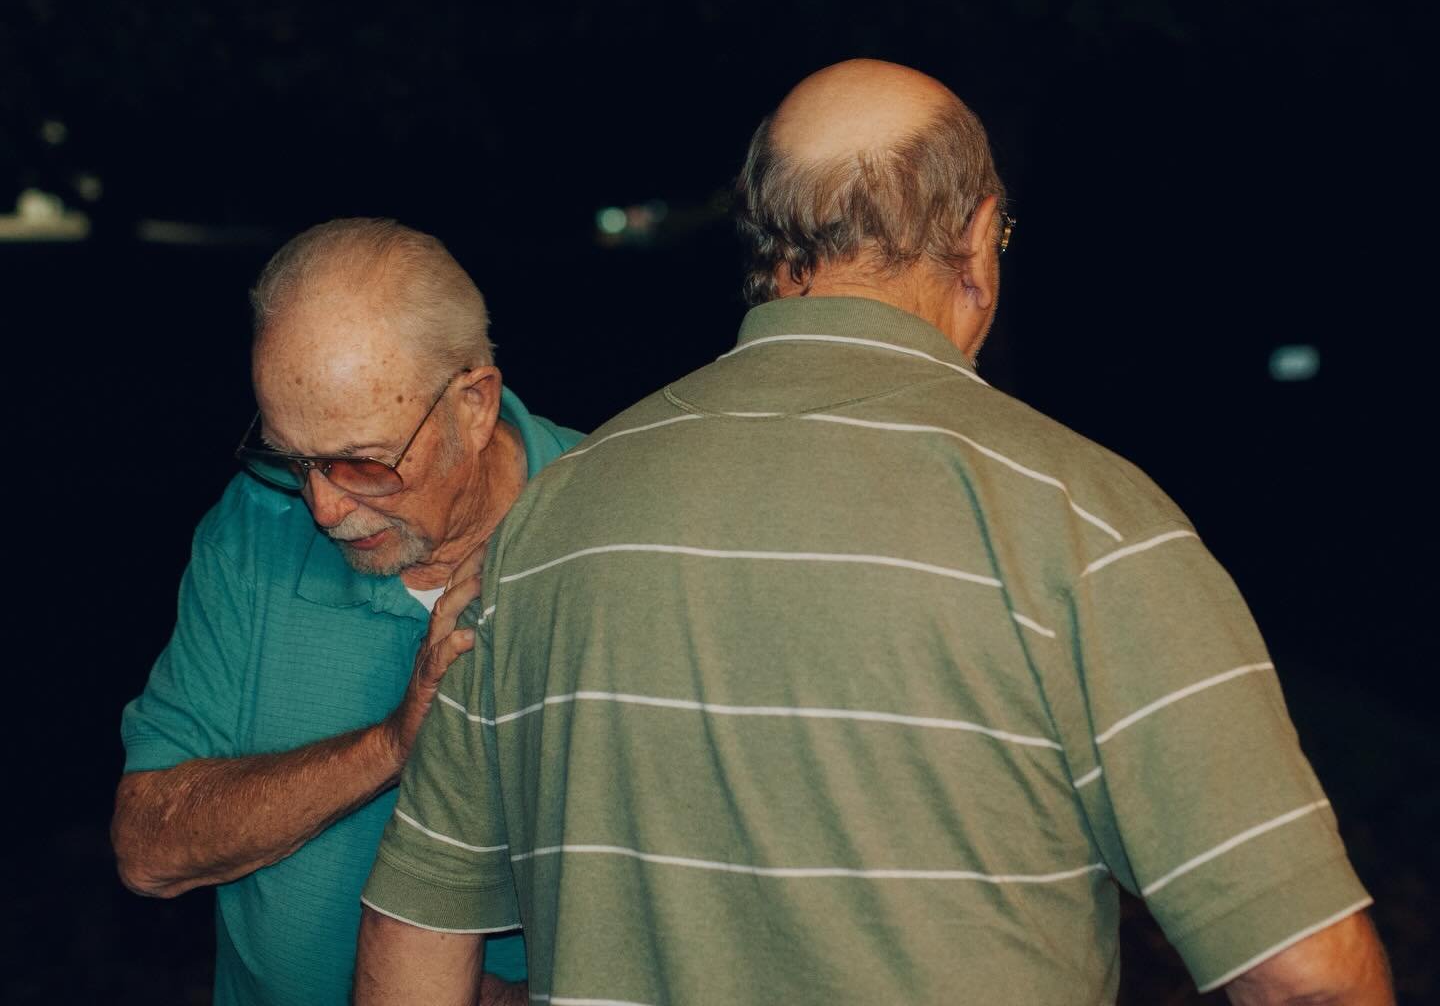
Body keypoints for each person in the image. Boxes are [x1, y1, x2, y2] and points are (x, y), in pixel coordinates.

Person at [353, 62, 1393, 1005]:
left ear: (765, 247)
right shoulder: (1088, 524)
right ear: (978, 242)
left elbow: (416, 939)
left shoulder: (553, 519)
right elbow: (1307, 978)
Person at [112, 218, 582, 1006]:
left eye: (362, 463)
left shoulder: (606, 525)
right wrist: (389, 745)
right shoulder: (255, 526)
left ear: (475, 404)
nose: (323, 509)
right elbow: (147, 848)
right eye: (292, 459)